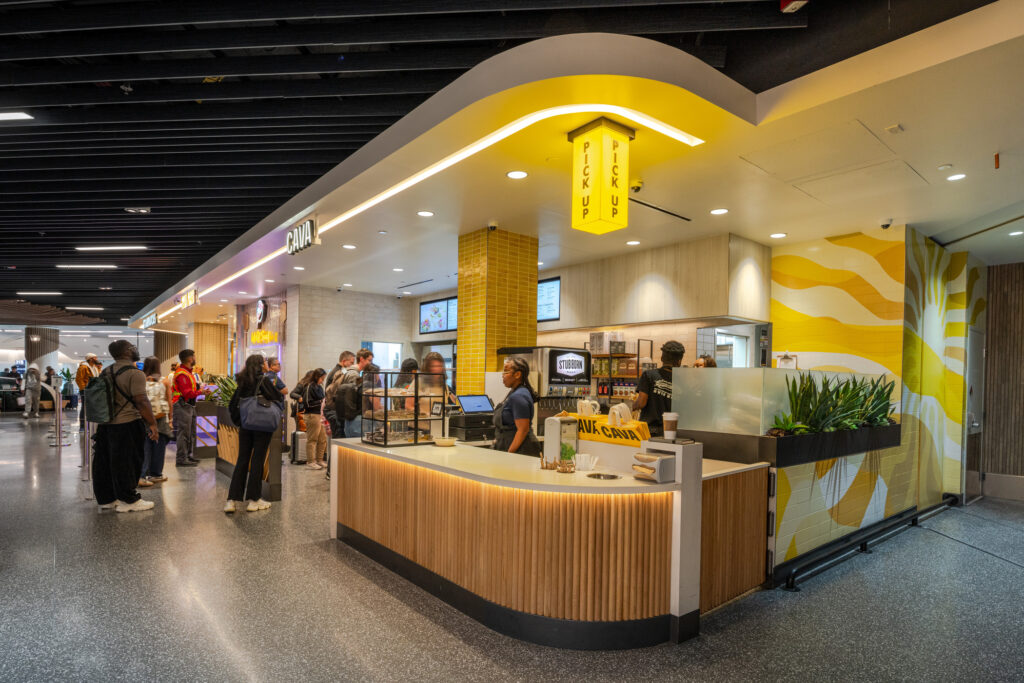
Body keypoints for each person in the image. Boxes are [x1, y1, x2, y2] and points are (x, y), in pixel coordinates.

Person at [92, 340, 160, 513]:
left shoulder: (107, 371)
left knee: (104, 463)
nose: (135, 350)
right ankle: (128, 501)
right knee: (128, 462)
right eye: (133, 347)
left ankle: (107, 499)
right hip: (127, 424)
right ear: (128, 351)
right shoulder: (134, 373)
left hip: (105, 424)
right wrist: (152, 423)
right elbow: (141, 401)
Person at [224, 355, 280, 513]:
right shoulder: (264, 380)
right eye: (264, 363)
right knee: (257, 460)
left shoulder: (242, 381)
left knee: (242, 459)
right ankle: (254, 500)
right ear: (261, 365)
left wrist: (240, 422)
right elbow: (277, 397)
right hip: (262, 426)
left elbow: (232, 404)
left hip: (246, 425)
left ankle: (231, 500)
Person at [634, 341, 685, 437]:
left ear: (662, 358)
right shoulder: (682, 381)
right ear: (679, 361)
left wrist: (633, 406)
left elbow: (641, 403)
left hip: (649, 431)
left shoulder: (649, 375)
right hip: (672, 432)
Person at [494, 356, 541, 456]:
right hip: (512, 447)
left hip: (522, 451)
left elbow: (523, 429)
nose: (503, 375)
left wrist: (509, 454)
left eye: (506, 372)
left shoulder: (518, 396)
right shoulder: (514, 392)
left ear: (517, 374)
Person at [139, 356, 172, 486]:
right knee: (159, 445)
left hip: (144, 416)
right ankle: (156, 474)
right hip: (160, 416)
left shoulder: (140, 380)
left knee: (145, 445)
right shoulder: (164, 381)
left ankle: (141, 475)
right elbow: (169, 401)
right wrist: (171, 419)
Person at [171, 349, 202, 467]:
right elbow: (187, 393)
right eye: (194, 356)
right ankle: (181, 459)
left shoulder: (188, 372)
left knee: (190, 433)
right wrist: (200, 392)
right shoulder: (182, 373)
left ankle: (188, 455)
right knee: (184, 433)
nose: (195, 358)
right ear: (190, 358)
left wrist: (199, 391)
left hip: (189, 405)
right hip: (182, 405)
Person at [301, 368, 327, 470]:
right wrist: (320, 402)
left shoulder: (319, 387)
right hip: (312, 415)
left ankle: (320, 460)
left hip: (320, 415)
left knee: (322, 439)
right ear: (317, 377)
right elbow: (306, 403)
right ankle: (311, 461)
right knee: (312, 439)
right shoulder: (309, 386)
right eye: (322, 378)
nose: (322, 380)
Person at [75, 352, 102, 429]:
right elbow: (79, 379)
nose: (96, 359)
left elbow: (98, 377)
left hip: (94, 390)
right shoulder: (83, 367)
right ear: (90, 359)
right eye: (95, 358)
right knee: (85, 407)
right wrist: (84, 389)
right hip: (86, 390)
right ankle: (82, 426)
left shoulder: (95, 367)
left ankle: (91, 425)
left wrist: (99, 368)